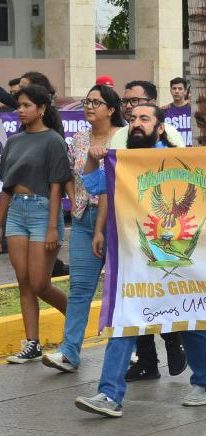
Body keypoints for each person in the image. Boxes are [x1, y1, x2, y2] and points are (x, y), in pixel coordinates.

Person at [74, 104, 206, 417]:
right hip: (134, 259)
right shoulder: (122, 160)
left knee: (189, 319)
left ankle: (204, 382)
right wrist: (92, 158)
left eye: (145, 119)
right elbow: (94, 185)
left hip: (179, 257)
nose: (137, 124)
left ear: (161, 128)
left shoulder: (182, 158)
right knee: (125, 319)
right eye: (133, 120)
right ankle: (109, 394)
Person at [41, 85, 125, 372]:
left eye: (96, 102)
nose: (89, 107)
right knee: (79, 288)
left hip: (116, 222)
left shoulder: (123, 138)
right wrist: (73, 196)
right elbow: (68, 172)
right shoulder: (79, 139)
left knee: (121, 288)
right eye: (87, 101)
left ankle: (133, 352)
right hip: (82, 220)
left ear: (111, 109)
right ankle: (69, 352)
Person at [110, 80, 188, 381]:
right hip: (129, 234)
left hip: (164, 235)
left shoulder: (171, 143)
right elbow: (103, 184)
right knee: (135, 298)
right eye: (127, 104)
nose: (131, 111)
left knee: (162, 295)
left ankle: (173, 340)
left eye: (139, 106)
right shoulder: (121, 139)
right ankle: (147, 361)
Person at [0, 84, 71, 364]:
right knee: (25, 283)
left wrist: (54, 226)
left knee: (41, 283)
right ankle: (32, 343)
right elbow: (7, 187)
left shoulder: (53, 140)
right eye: (19, 105)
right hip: (17, 212)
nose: (20, 110)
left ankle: (74, 322)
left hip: (43, 211)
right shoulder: (14, 141)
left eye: (27, 105)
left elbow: (57, 187)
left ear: (42, 109)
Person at [110, 81, 185, 148]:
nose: (128, 106)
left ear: (152, 103)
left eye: (134, 100)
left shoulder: (170, 133)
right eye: (125, 101)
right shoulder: (118, 136)